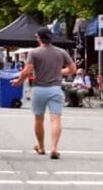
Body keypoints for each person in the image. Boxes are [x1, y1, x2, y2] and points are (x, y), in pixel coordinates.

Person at [11, 27, 76, 159]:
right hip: (55, 89)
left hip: (39, 89)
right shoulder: (61, 52)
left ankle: (41, 147)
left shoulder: (34, 53)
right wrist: (59, 72)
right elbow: (73, 69)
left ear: (39, 38)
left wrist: (19, 81)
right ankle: (54, 148)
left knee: (39, 119)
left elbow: (27, 71)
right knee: (55, 119)